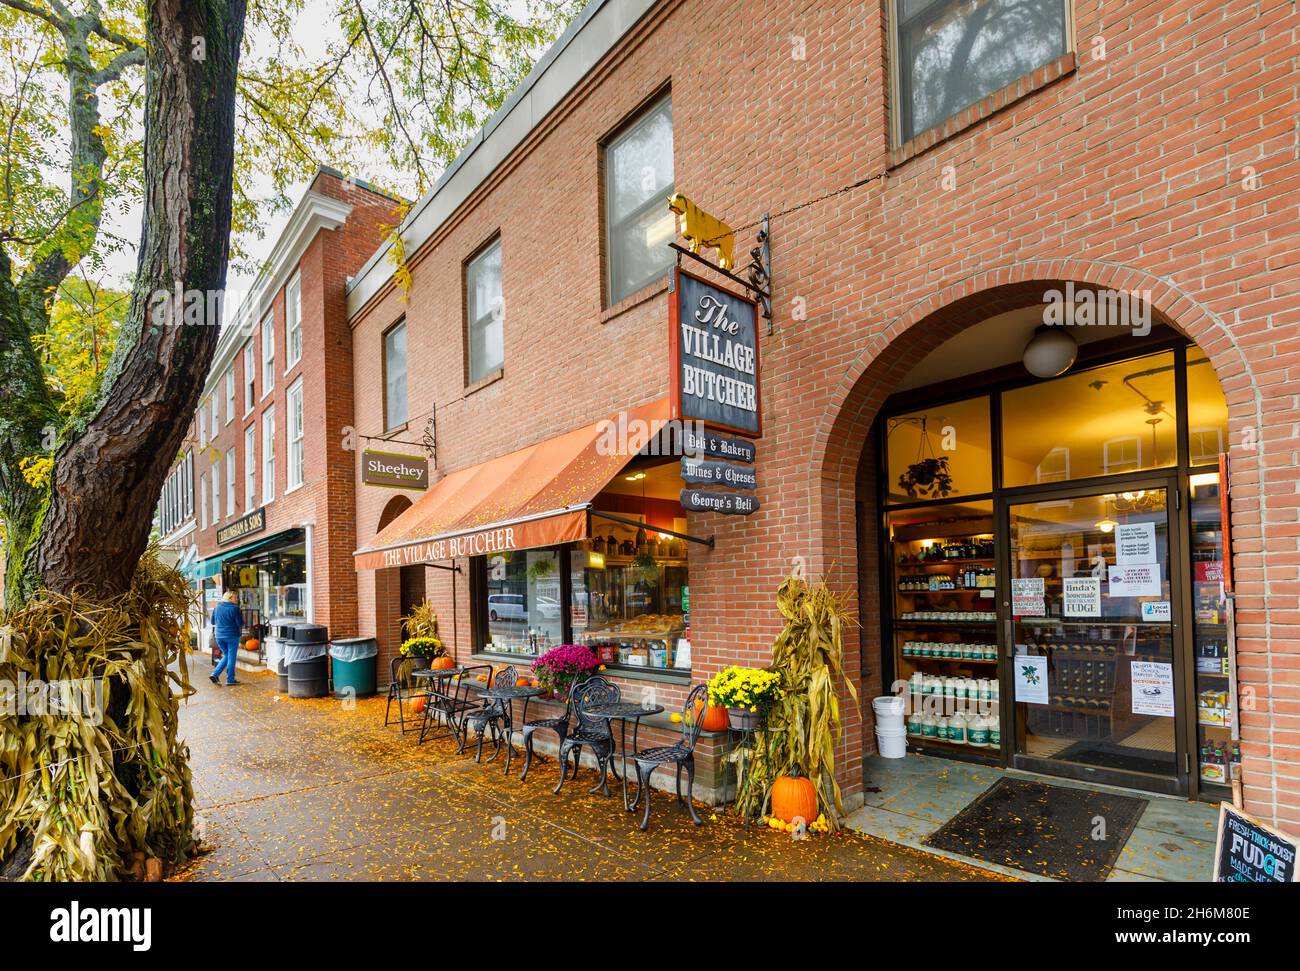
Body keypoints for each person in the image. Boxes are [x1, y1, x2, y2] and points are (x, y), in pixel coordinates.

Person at [210, 591, 243, 686]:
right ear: (229, 598)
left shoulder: (217, 607)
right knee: (231, 657)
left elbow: (212, 621)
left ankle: (215, 674)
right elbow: (240, 623)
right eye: (235, 597)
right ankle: (230, 679)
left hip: (219, 636)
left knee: (227, 655)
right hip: (232, 635)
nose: (237, 599)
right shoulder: (235, 609)